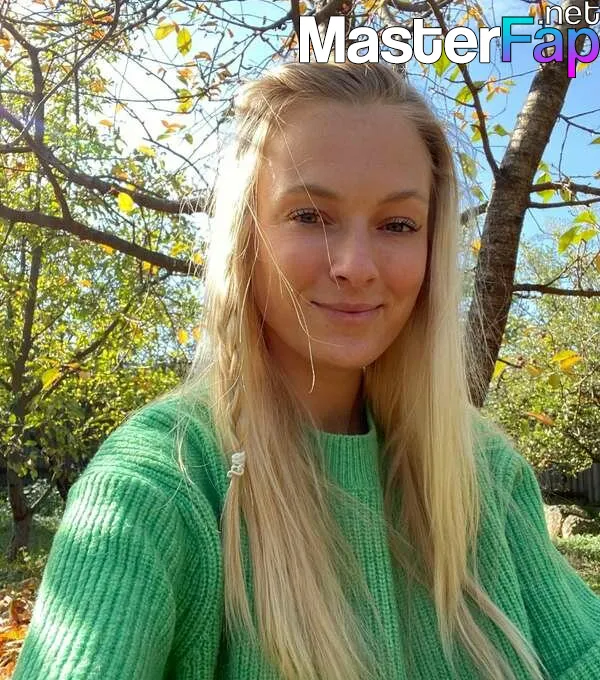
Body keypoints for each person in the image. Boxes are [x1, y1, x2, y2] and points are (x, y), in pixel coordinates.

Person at [13, 61, 600, 680]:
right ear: (246, 235)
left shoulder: (482, 471)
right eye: (310, 216)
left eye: (398, 225)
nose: (355, 265)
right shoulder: (158, 485)